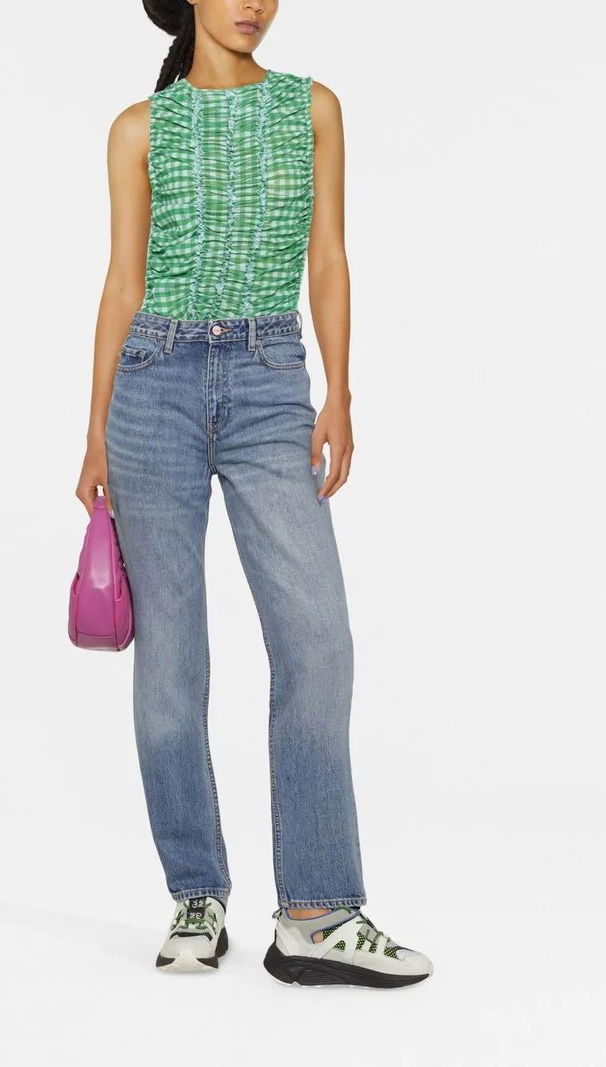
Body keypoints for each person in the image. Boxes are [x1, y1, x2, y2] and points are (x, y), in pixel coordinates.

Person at [75, 0, 432, 987]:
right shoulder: (139, 128)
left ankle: (315, 911)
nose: (255, 4)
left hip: (273, 379)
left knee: (317, 636)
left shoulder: (310, 108)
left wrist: (339, 391)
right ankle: (196, 892)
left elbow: (328, 257)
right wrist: (94, 429)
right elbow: (122, 283)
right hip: (152, 384)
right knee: (170, 659)